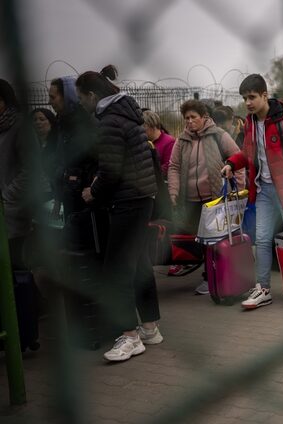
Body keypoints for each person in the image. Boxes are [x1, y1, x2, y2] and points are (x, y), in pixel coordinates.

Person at [76, 65, 162, 362]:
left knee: (117, 269)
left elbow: (110, 169)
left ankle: (129, 335)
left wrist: (93, 191)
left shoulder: (109, 120)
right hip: (141, 197)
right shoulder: (127, 112)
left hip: (127, 200)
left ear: (90, 95)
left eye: (80, 97)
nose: (80, 104)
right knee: (138, 265)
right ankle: (149, 327)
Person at [221, 73, 283, 309]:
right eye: (244, 98)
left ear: (264, 95)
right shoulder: (250, 123)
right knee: (261, 240)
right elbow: (247, 153)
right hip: (262, 191)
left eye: (252, 97)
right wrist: (231, 163)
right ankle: (264, 289)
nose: (248, 103)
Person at [167, 99, 244, 294]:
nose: (190, 122)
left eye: (194, 117)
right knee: (200, 241)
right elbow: (174, 167)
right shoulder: (182, 140)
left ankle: (214, 278)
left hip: (215, 198)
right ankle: (211, 274)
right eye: (186, 118)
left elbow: (237, 158)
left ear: (204, 117)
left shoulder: (218, 135)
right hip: (191, 200)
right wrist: (174, 192)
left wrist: (240, 192)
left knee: (216, 240)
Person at [0, 79, 41, 270]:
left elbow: (31, 170)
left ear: (4, 101)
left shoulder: (20, 127)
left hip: (14, 212)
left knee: (17, 268)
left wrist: (6, 195)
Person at [49, 76, 98, 221]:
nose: (49, 102)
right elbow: (61, 163)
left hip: (86, 198)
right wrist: (58, 201)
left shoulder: (86, 124)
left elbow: (99, 161)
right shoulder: (62, 123)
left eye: (53, 97)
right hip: (69, 194)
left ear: (67, 97)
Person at [31, 108, 58, 201]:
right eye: (34, 120)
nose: (38, 122)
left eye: (42, 119)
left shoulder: (58, 145)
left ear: (51, 122)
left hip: (53, 193)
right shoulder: (28, 146)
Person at [142, 110, 175, 179]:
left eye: (144, 127)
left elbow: (168, 166)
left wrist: (149, 174)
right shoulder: (145, 141)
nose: (142, 130)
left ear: (152, 125)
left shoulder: (169, 142)